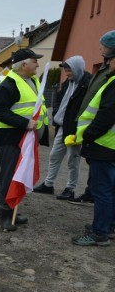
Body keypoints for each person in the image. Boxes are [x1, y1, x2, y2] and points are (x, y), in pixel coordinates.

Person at [0, 48, 49, 231]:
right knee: (9, 177)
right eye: (34, 61)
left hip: (27, 138)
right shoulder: (8, 85)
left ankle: (13, 208)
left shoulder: (32, 81)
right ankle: (4, 216)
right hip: (11, 138)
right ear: (24, 64)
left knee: (20, 174)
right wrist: (25, 123)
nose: (37, 64)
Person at [71, 47, 115, 247]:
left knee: (102, 190)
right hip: (110, 146)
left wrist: (88, 134)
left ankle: (99, 233)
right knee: (111, 189)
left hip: (105, 145)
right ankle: (108, 226)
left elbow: (106, 115)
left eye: (109, 59)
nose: (107, 63)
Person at [67, 30, 115, 206]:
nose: (100, 49)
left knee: (104, 187)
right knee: (102, 182)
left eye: (103, 46)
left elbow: (107, 111)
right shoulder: (104, 70)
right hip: (101, 138)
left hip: (104, 140)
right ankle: (103, 222)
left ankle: (101, 230)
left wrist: (88, 134)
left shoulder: (111, 77)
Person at [32, 56, 91, 200]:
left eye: (69, 70)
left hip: (76, 129)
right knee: (54, 156)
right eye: (65, 70)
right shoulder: (68, 82)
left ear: (77, 68)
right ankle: (48, 184)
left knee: (73, 159)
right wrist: (57, 111)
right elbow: (59, 98)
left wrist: (80, 129)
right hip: (63, 126)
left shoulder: (87, 84)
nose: (67, 73)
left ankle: (70, 189)